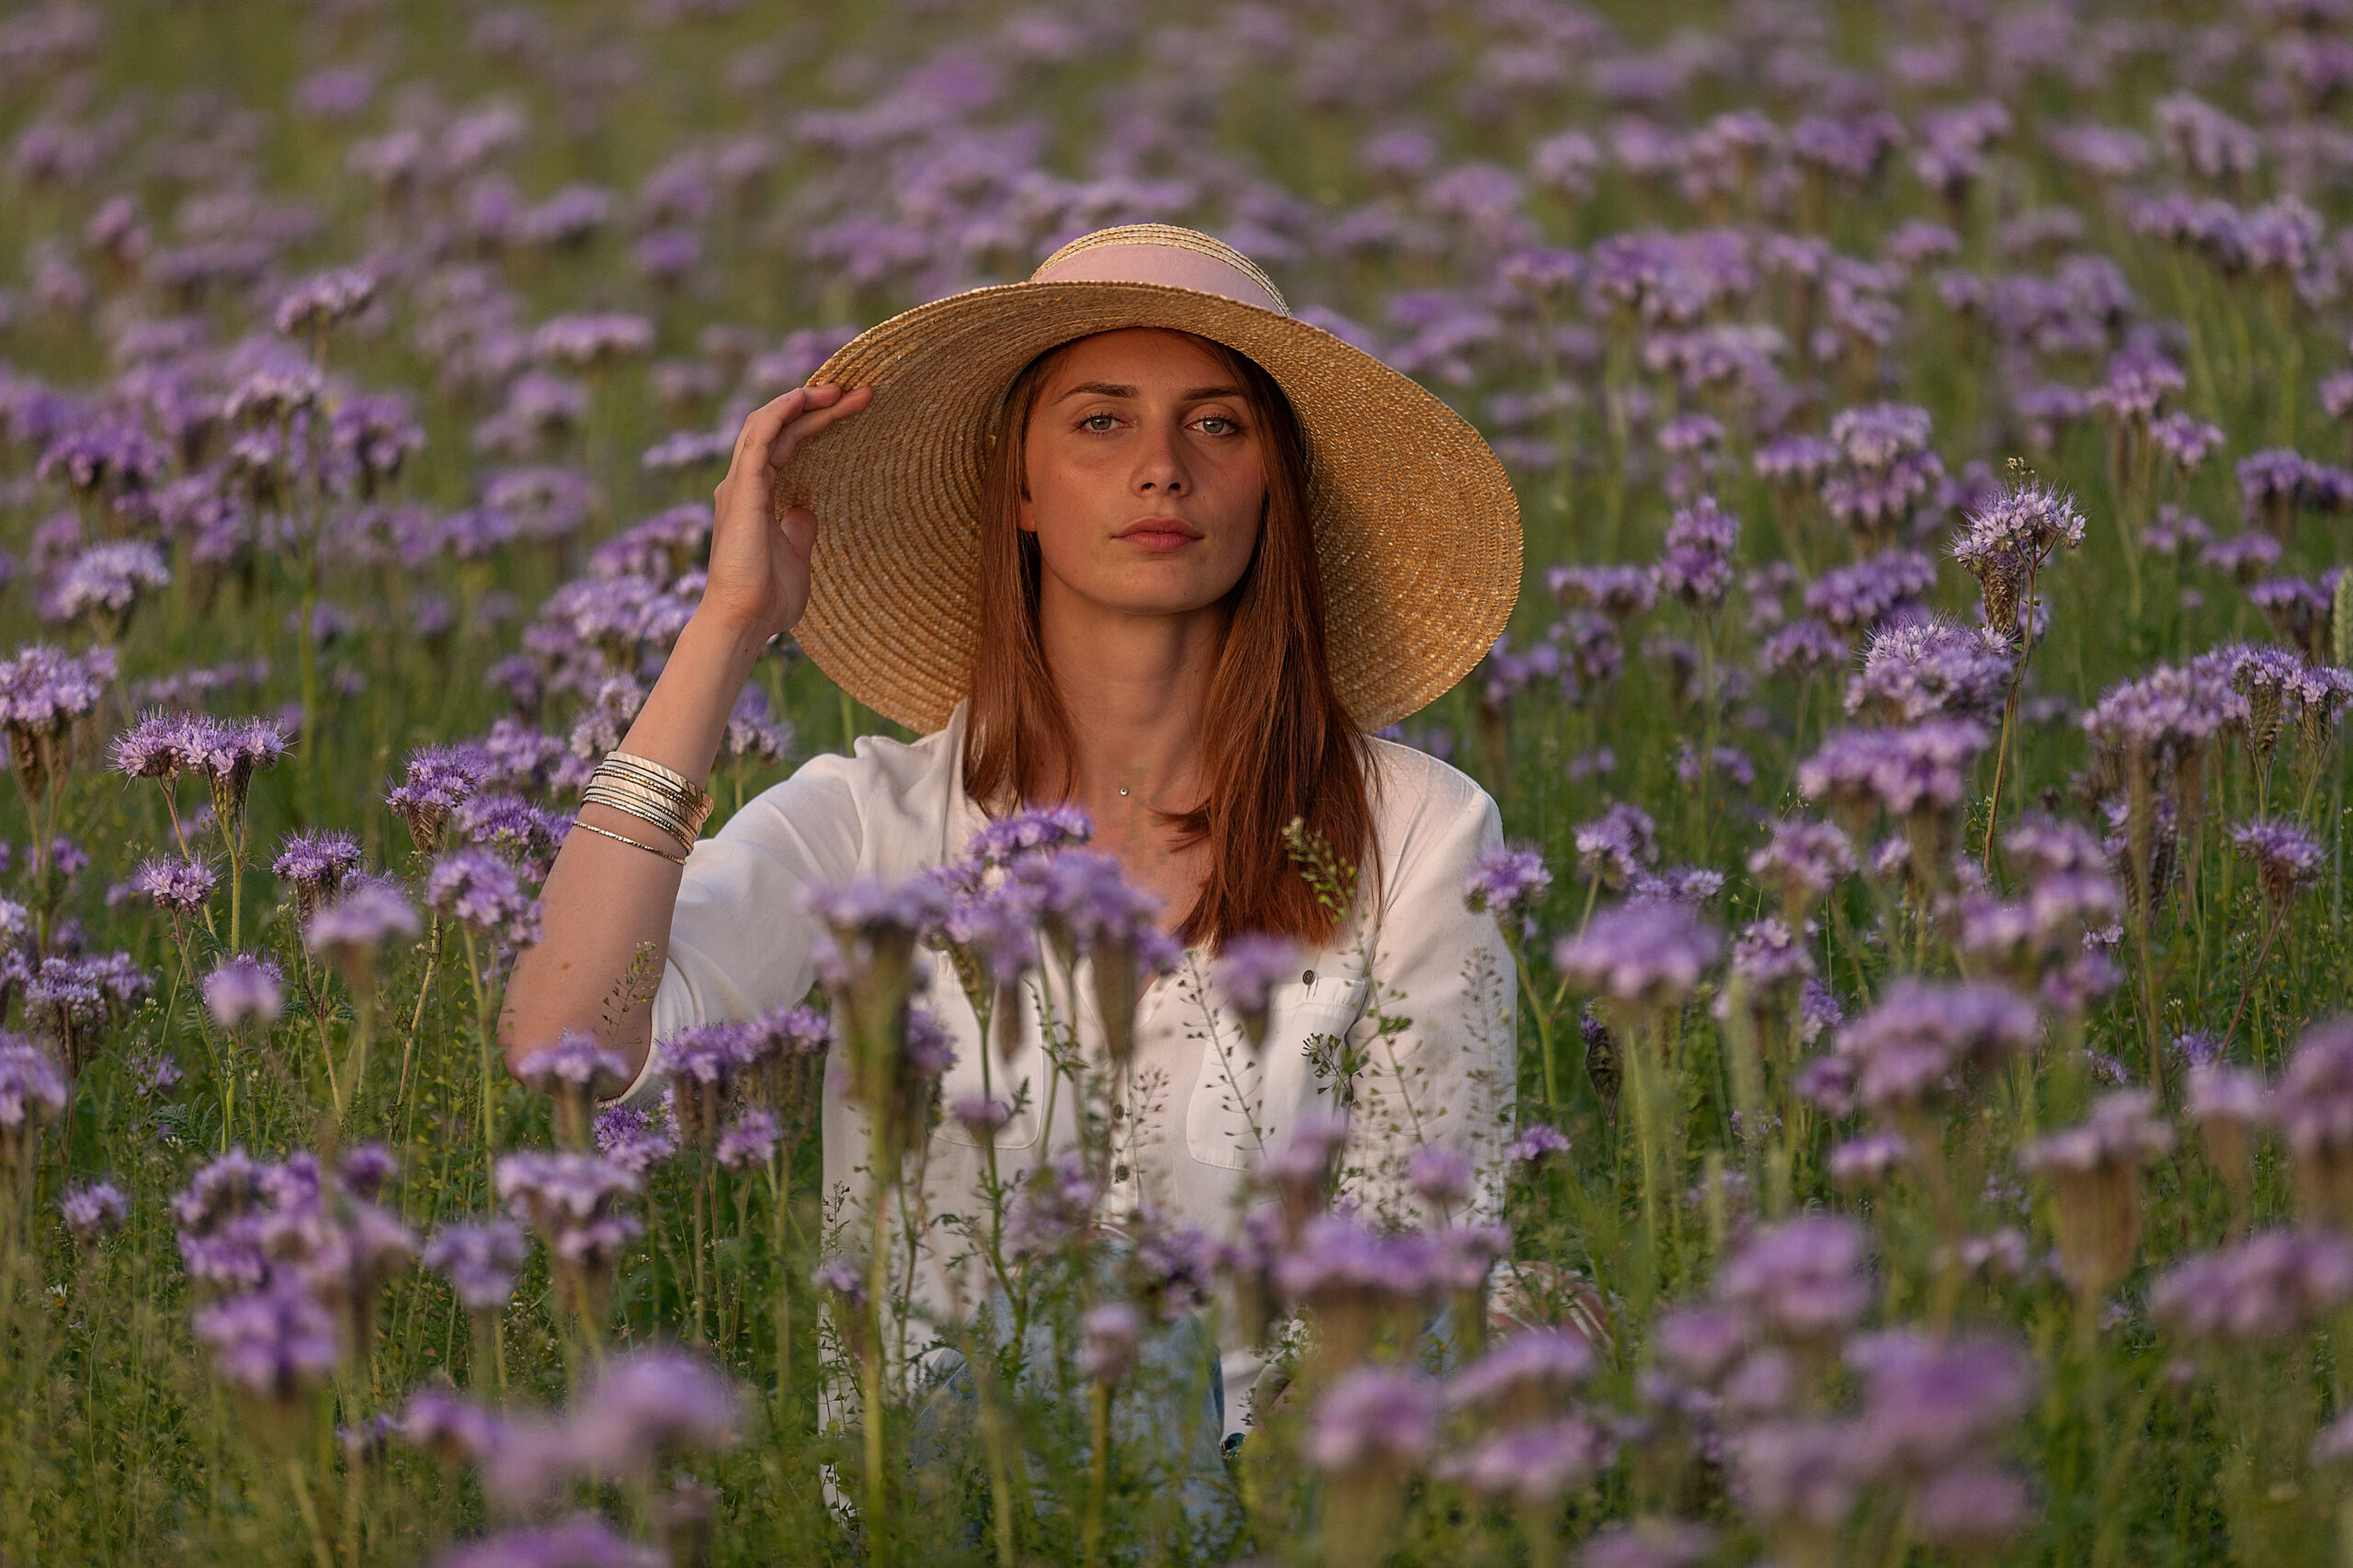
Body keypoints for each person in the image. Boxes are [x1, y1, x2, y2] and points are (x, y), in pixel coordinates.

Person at [501, 223, 1524, 1442]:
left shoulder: (1417, 827)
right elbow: (564, 1040)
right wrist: (726, 624)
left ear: (1273, 488)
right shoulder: (869, 825)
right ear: (1022, 489)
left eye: (1218, 423)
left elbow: (1420, 1255)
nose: (1163, 468)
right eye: (1101, 420)